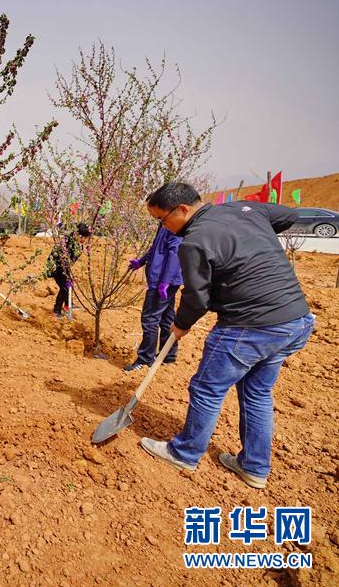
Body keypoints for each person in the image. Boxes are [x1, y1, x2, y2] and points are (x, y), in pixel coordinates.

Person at [138, 183, 314, 489]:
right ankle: (254, 467)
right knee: (257, 392)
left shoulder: (194, 241)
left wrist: (181, 324)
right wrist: (251, 236)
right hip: (295, 321)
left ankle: (184, 453)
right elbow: (289, 215)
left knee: (207, 389)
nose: (163, 227)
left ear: (182, 210)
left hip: (249, 327)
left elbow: (197, 298)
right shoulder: (245, 209)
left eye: (162, 220)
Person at [123, 222, 183, 371]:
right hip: (165, 279)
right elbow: (157, 248)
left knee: (150, 318)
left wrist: (165, 280)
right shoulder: (164, 223)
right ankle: (168, 355)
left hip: (162, 280)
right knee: (167, 317)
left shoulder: (174, 225)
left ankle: (145, 359)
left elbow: (175, 253)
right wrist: (142, 261)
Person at [44, 223, 91, 318]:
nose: (84, 240)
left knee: (69, 284)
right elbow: (60, 257)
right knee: (65, 287)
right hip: (56, 267)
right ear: (78, 234)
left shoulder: (78, 245)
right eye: (83, 237)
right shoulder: (67, 241)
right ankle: (57, 310)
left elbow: (71, 259)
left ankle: (68, 305)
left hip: (64, 268)